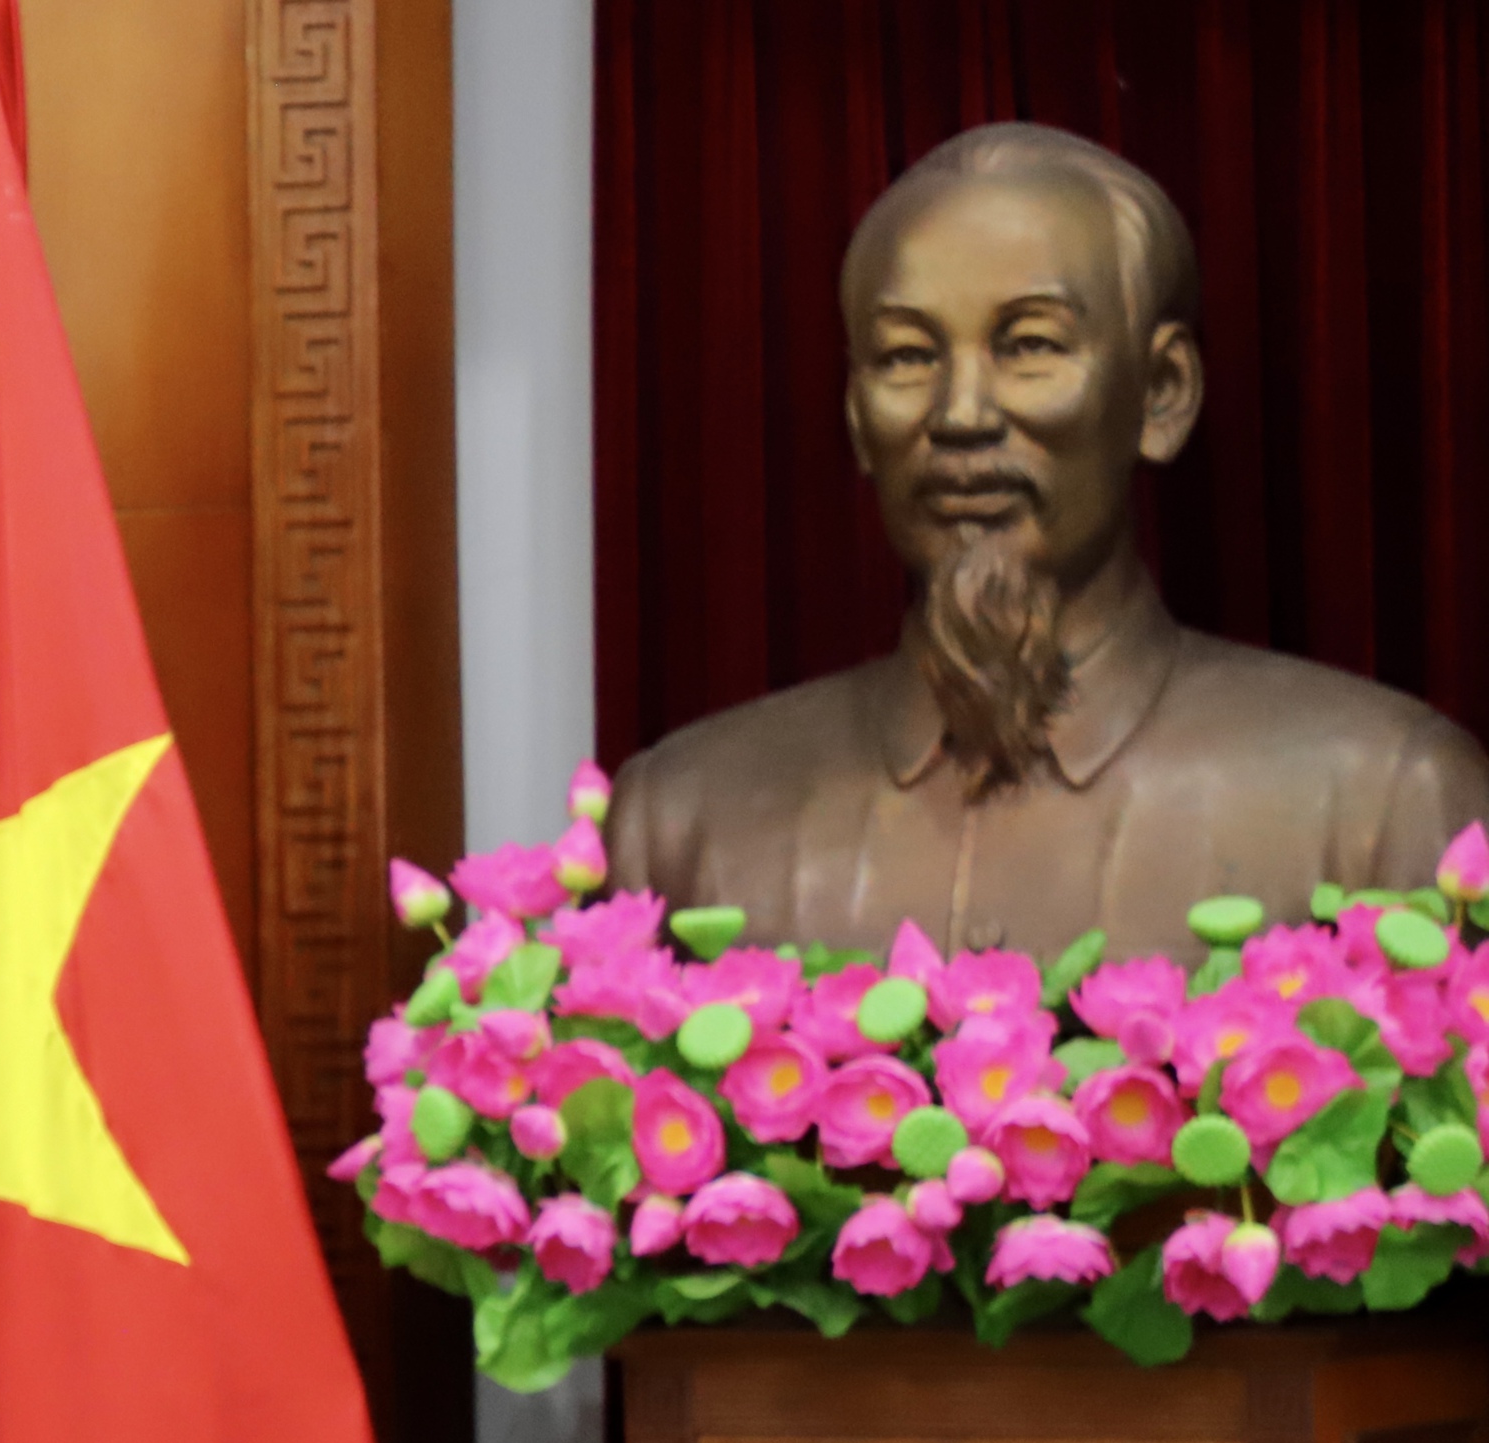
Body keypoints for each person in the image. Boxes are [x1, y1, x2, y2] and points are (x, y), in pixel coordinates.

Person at [605, 122, 1489, 961]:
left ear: (1161, 394)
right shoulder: (683, 827)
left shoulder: (1385, 801)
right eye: (907, 357)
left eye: (1029, 345)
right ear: (856, 415)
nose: (960, 415)